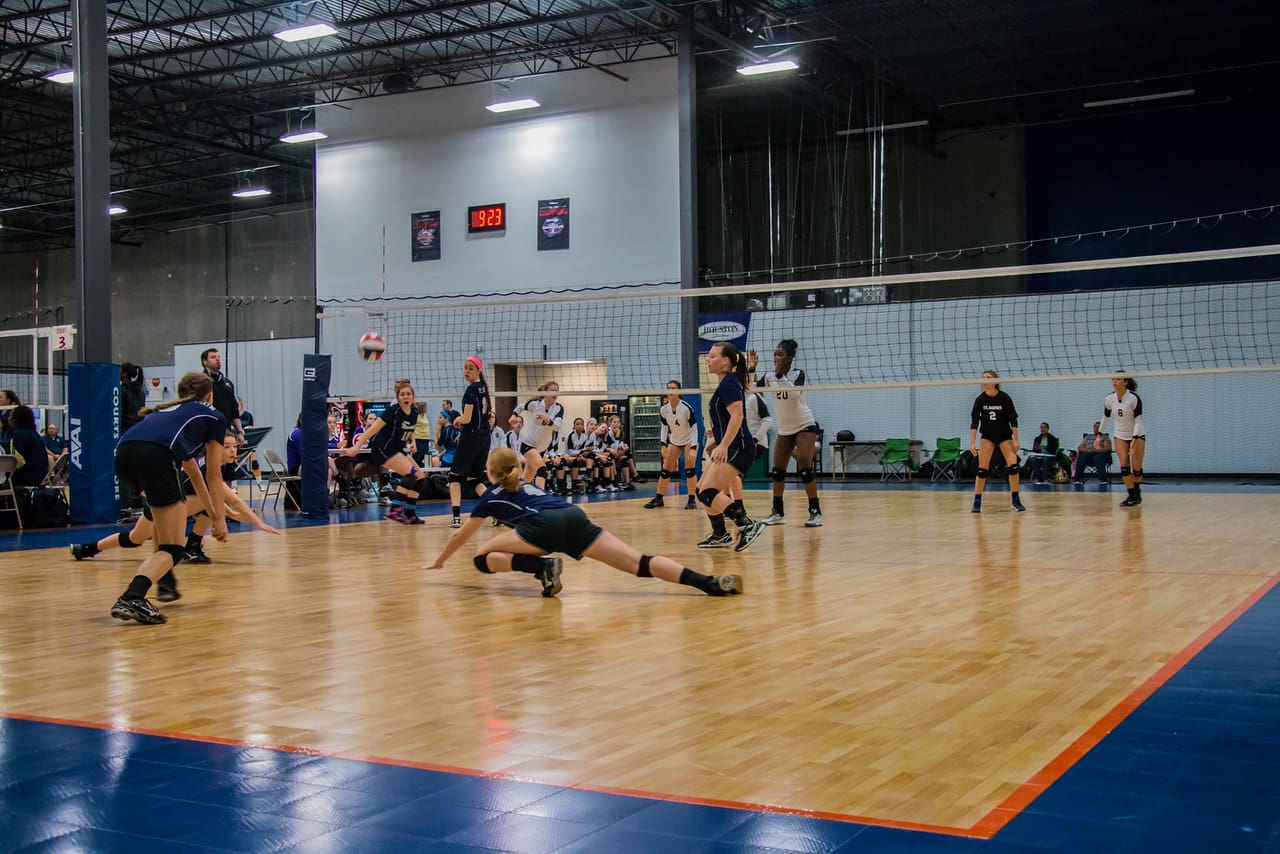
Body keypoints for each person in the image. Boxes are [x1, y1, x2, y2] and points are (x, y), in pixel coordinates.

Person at [422, 447, 742, 598]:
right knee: (639, 563)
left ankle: (542, 569)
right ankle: (708, 583)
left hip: (543, 527)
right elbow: (532, 465)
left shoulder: (490, 497)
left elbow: (460, 537)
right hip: (573, 517)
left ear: (490, 473)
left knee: (481, 556)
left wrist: (438, 562)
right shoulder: (527, 483)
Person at [107, 372, 228, 625]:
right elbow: (214, 476)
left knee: (163, 525)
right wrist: (219, 521)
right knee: (173, 549)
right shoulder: (214, 416)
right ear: (210, 395)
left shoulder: (169, 414)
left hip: (124, 454)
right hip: (155, 458)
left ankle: (162, 581)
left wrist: (213, 513)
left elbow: (196, 477)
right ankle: (133, 596)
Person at [72, 435, 279, 575]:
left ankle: (193, 545)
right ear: (212, 449)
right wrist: (258, 523)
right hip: (161, 506)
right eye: (227, 447)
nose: (233, 451)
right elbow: (232, 501)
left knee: (215, 508)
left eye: (235, 446)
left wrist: (245, 518)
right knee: (136, 538)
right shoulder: (208, 470)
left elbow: (228, 510)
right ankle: (88, 548)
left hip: (177, 509)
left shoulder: (219, 470)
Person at [695, 341, 765, 552]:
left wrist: (724, 445)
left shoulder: (729, 384)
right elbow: (728, 419)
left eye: (713, 356)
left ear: (725, 361)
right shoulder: (727, 383)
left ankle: (747, 524)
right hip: (731, 445)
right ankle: (720, 535)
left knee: (708, 492)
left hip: (739, 448)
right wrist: (718, 440)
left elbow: (738, 415)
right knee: (701, 491)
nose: (709, 360)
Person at [747, 339, 823, 527]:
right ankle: (777, 512)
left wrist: (780, 376)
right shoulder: (769, 376)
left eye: (780, 354)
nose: (776, 358)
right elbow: (751, 390)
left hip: (805, 425)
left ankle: (815, 512)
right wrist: (750, 369)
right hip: (785, 429)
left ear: (790, 357)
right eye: (775, 354)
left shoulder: (798, 374)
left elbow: (794, 394)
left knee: (804, 468)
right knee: (777, 471)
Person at [347, 379, 427, 524]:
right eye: (402, 394)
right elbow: (372, 429)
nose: (406, 397)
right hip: (382, 449)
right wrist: (357, 446)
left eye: (408, 394)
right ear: (398, 397)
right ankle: (394, 511)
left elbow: (410, 428)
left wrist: (413, 442)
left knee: (420, 477)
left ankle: (410, 514)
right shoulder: (392, 411)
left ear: (413, 396)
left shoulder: (414, 411)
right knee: (411, 475)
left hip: (398, 449)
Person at [446, 356, 493, 528]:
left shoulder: (471, 390)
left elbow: (466, 418)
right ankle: (497, 512)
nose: (466, 371)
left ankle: (456, 517)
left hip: (472, 437)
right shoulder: (484, 389)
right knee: (474, 479)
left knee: (454, 477)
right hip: (484, 437)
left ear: (478, 370)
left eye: (470, 368)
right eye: (465, 368)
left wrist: (457, 419)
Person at [969, 369, 1025, 513]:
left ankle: (1015, 499)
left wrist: (1017, 440)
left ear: (995, 381)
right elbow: (974, 423)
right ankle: (977, 501)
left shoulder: (1004, 398)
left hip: (1004, 436)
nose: (985, 379)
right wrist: (972, 443)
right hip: (987, 436)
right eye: (983, 377)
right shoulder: (980, 400)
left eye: (988, 377)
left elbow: (1013, 420)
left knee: (1013, 466)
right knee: (982, 470)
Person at [645, 381, 700, 510]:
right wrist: (663, 445)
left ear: (679, 391)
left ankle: (691, 499)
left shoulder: (686, 408)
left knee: (689, 469)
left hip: (689, 439)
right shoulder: (664, 409)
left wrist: (692, 448)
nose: (670, 390)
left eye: (673, 388)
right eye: (668, 388)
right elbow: (664, 428)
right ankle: (659, 498)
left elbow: (694, 429)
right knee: (666, 469)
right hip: (675, 440)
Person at [1101, 371, 1146, 506]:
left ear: (1125, 382)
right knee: (1125, 467)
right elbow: (1105, 417)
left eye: (1118, 379)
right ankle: (1131, 495)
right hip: (1120, 434)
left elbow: (1138, 421)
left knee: (1137, 468)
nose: (1114, 381)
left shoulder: (1133, 398)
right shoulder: (1109, 399)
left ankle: (1137, 491)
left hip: (1136, 434)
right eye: (1113, 379)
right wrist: (1099, 435)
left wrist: (1134, 439)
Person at [514, 382, 563, 491]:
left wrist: (549, 421)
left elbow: (557, 427)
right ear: (545, 392)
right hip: (528, 444)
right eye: (552, 390)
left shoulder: (558, 408)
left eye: (556, 390)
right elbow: (520, 407)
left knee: (525, 480)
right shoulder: (535, 404)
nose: (555, 393)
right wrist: (514, 415)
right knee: (542, 470)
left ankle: (512, 495)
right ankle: (540, 499)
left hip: (541, 448)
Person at [201, 348, 243, 443]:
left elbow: (234, 410)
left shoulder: (227, 383)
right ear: (205, 361)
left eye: (218, 357)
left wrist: (240, 432)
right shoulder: (200, 382)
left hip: (226, 431)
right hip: (207, 431)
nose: (217, 359)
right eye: (213, 357)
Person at [5, 405, 48, 487]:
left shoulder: (17, 434)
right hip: (41, 476)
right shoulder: (35, 434)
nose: (8, 418)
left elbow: (18, 462)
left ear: (16, 418)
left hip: (26, 478)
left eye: (10, 415)